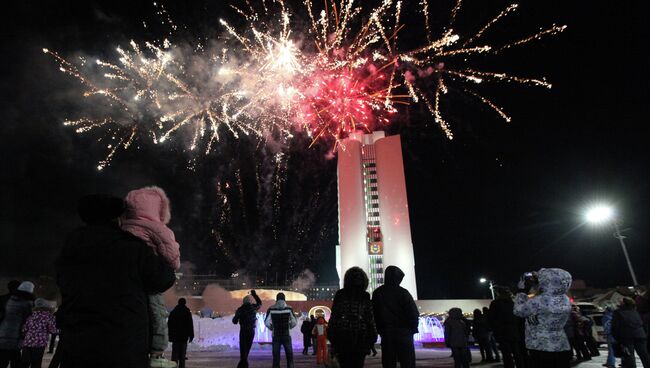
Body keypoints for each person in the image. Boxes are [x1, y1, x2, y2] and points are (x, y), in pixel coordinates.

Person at [55, 194, 176, 368]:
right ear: (117, 218)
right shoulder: (132, 248)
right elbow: (163, 279)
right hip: (123, 346)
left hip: (77, 345)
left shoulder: (70, 249)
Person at [121, 186, 180, 368]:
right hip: (149, 278)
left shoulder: (122, 227)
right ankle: (157, 353)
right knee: (157, 313)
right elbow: (172, 258)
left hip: (128, 281)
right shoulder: (157, 228)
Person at [513, 268, 572, 368]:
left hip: (540, 344)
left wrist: (521, 291)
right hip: (561, 343)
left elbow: (518, 311)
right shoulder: (565, 299)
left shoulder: (540, 300)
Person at [328, 267, 378, 368]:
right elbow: (369, 319)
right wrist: (372, 339)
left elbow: (334, 318)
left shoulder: (340, 294)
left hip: (342, 336)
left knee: (344, 364)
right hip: (361, 336)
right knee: (358, 364)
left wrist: (332, 338)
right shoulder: (365, 296)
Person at [372, 265, 419, 368]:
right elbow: (413, 313)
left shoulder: (378, 293)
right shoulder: (403, 293)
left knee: (389, 362)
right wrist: (413, 327)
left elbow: (374, 314)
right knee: (407, 362)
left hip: (387, 334)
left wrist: (380, 330)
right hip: (404, 334)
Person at [488, 286, 525, 368]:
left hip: (502, 331)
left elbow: (492, 318)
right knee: (517, 353)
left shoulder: (495, 304)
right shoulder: (513, 303)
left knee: (506, 354)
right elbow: (519, 317)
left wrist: (495, 329)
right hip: (514, 331)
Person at [0, 281, 34, 368]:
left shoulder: (6, 299)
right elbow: (28, 320)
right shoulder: (26, 303)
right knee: (15, 360)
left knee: (3, 360)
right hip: (16, 336)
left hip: (4, 333)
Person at [612, 297, 650, 368]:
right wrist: (644, 334)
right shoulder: (636, 311)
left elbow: (615, 327)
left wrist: (617, 338)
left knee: (629, 355)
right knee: (644, 354)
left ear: (623, 303)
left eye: (620, 301)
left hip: (626, 336)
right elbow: (643, 324)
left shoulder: (618, 312)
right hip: (640, 335)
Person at [20, 298, 57, 368]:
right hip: (39, 343)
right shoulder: (49, 316)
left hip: (27, 342)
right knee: (36, 364)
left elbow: (24, 329)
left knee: (24, 364)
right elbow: (52, 330)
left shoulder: (31, 315)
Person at [264, 292, 297, 368]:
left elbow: (266, 322)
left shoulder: (271, 308)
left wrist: (272, 328)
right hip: (286, 335)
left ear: (277, 299)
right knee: (289, 355)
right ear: (284, 299)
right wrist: (289, 327)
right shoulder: (289, 308)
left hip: (276, 335)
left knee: (276, 356)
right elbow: (294, 322)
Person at [232, 290, 262, 368]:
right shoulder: (253, 307)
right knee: (247, 349)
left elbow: (234, 321)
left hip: (243, 331)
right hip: (251, 331)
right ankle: (242, 365)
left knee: (243, 350)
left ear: (243, 301)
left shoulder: (240, 309)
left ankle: (242, 365)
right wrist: (254, 295)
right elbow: (260, 303)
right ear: (250, 301)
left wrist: (237, 318)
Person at [168, 298, 194, 368]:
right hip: (183, 337)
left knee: (175, 355)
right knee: (182, 355)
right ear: (185, 303)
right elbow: (190, 325)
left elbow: (169, 325)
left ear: (178, 303)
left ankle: (174, 366)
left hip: (175, 337)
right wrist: (191, 336)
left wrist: (170, 336)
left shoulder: (173, 312)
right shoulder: (187, 312)